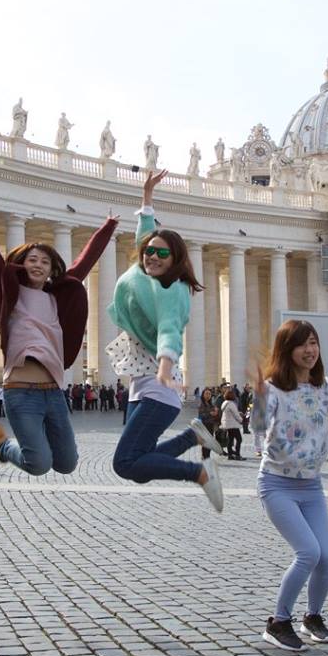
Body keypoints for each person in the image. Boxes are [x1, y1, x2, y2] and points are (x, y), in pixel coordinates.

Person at [0, 185, 119, 476]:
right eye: (32, 259)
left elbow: (84, 262)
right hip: (20, 391)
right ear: (21, 263)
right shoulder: (9, 292)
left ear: (51, 269)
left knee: (67, 463)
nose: (39, 264)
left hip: (54, 392)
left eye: (45, 261)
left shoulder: (57, 296)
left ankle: (27, 445)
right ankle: (2, 445)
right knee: (39, 464)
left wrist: (108, 227)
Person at [108, 169, 222, 508]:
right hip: (140, 384)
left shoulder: (171, 291)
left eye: (161, 254)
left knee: (124, 462)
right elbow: (146, 234)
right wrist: (146, 198)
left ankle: (200, 474)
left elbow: (170, 330)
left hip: (159, 385)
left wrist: (165, 367)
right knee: (140, 466)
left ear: (175, 260)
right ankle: (193, 435)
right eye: (150, 252)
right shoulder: (145, 269)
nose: (152, 257)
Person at [251, 322, 328, 651]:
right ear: (287, 350)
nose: (310, 350)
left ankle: (312, 617)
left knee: (326, 558)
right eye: (302, 345)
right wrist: (257, 398)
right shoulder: (273, 388)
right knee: (308, 552)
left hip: (311, 486)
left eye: (313, 343)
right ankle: (278, 622)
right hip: (276, 484)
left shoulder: (323, 386)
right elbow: (256, 429)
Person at [218, 388, 246, 459]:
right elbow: (236, 415)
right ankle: (237, 455)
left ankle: (230, 455)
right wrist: (241, 420)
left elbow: (230, 413)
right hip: (232, 424)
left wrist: (238, 413)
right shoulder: (231, 404)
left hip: (227, 424)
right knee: (239, 439)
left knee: (230, 439)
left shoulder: (224, 403)